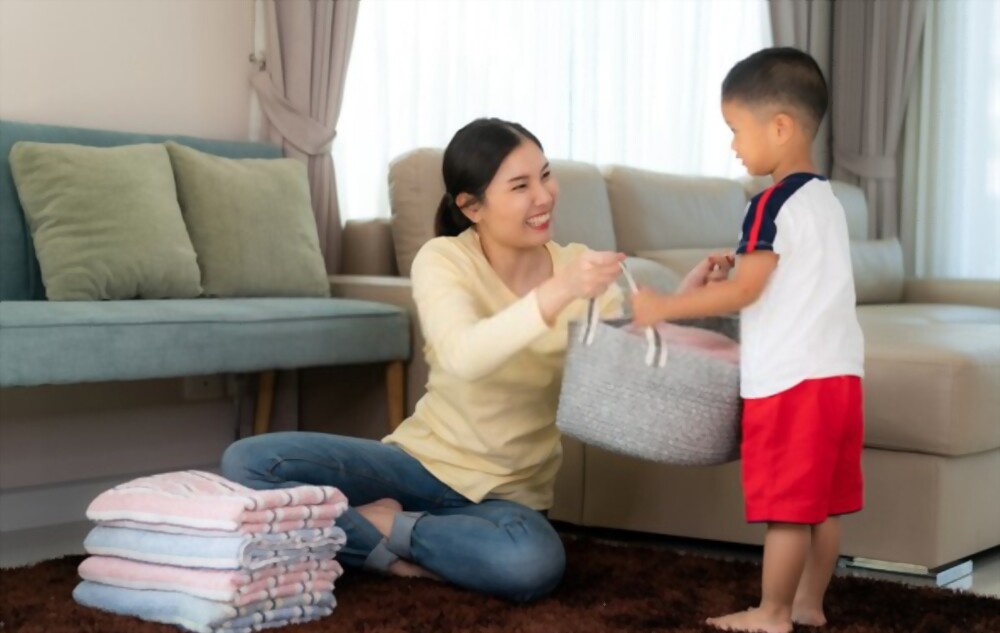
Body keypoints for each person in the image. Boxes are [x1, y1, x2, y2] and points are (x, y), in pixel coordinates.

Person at [222, 117, 722, 603]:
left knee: (531, 563)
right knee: (247, 462)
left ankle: (383, 527)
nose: (544, 195)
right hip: (416, 466)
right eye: (520, 185)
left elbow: (630, 356)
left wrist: (683, 305)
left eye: (545, 175)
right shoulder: (444, 259)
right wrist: (554, 296)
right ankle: (395, 545)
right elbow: (463, 356)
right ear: (472, 206)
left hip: (511, 497)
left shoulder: (576, 267)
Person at [632, 48, 865, 633]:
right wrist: (731, 272)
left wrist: (667, 304)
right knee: (825, 504)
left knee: (787, 509)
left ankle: (773, 612)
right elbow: (788, 281)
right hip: (841, 377)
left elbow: (747, 293)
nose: (733, 146)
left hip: (790, 381)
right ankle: (810, 602)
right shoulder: (825, 201)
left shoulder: (768, 203)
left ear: (780, 127)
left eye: (736, 130)